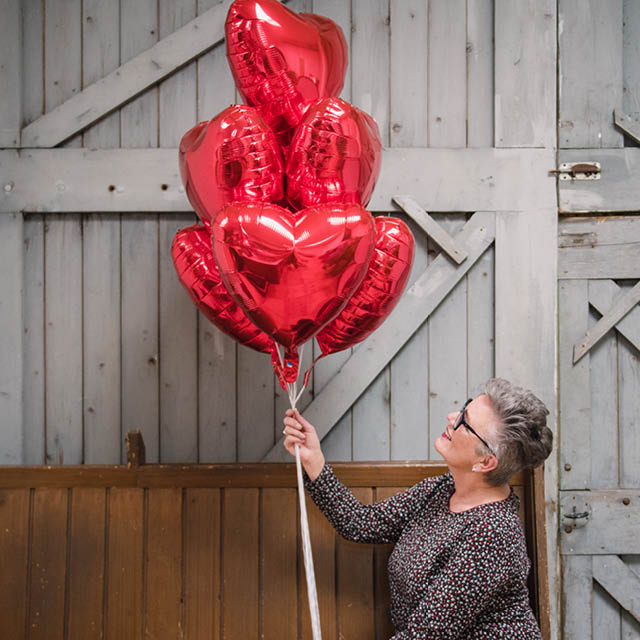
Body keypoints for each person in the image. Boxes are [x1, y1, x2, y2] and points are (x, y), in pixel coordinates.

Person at [282, 378, 553, 639]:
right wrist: (313, 459)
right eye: (463, 408)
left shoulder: (494, 534)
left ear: (485, 462)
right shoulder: (442, 489)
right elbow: (361, 523)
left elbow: (424, 635)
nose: (451, 417)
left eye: (464, 422)